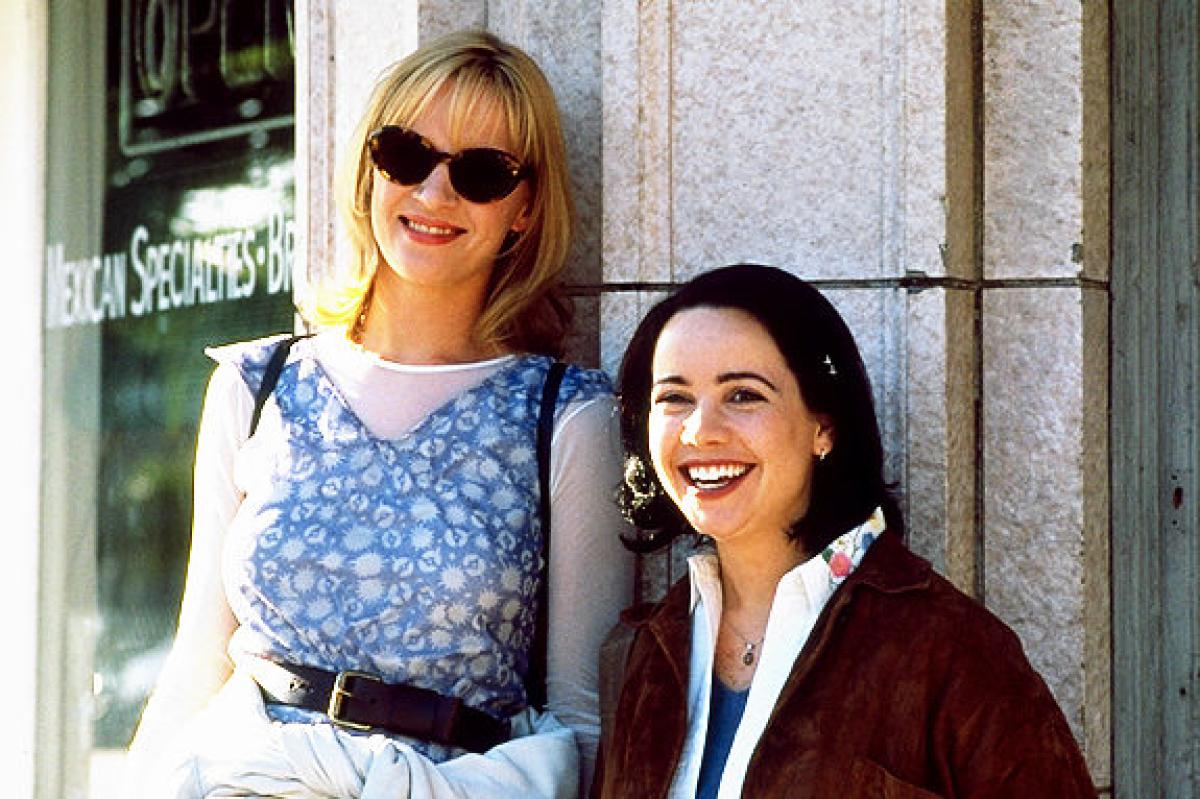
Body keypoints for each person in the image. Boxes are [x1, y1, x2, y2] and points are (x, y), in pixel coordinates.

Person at [125, 30, 632, 799]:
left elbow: (582, 719)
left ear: (525, 210)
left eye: (481, 173)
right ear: (369, 167)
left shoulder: (566, 416)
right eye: (406, 155)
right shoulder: (256, 386)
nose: (434, 193)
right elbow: (197, 665)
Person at [592, 264, 1096, 798]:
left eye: (743, 395)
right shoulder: (640, 654)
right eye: (674, 398)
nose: (700, 431)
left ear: (824, 426)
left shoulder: (951, 650)